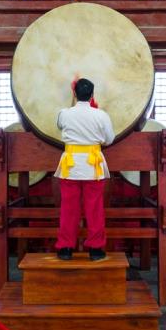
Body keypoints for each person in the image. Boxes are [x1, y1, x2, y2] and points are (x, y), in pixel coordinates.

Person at [55, 78, 115, 261]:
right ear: (92, 95)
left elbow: (60, 126)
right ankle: (96, 249)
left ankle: (65, 248)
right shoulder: (101, 115)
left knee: (68, 208)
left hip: (70, 166)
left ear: (74, 93)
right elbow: (109, 139)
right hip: (93, 166)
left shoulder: (64, 114)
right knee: (94, 208)